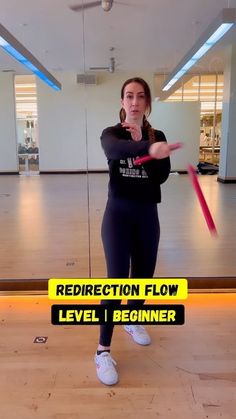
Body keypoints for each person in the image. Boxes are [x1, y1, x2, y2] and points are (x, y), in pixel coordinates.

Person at [95, 77, 182, 386]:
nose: (134, 101)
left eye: (140, 96)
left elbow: (160, 177)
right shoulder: (112, 133)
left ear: (147, 103)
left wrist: (154, 149)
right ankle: (103, 350)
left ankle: (132, 318)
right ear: (122, 101)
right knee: (117, 281)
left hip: (147, 214)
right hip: (117, 215)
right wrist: (146, 146)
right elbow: (115, 151)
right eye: (129, 96)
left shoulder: (158, 134)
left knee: (143, 277)